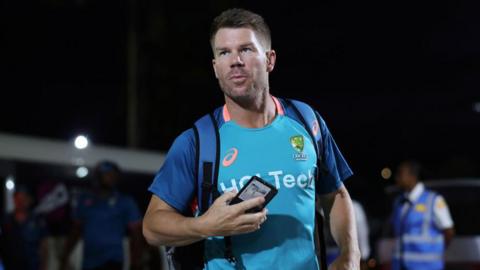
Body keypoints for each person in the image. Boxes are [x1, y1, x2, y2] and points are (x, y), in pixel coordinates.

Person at [143, 8, 360, 270]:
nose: (235, 60)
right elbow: (152, 227)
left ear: (270, 60)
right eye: (224, 53)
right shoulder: (198, 141)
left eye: (246, 49)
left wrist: (350, 256)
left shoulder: (306, 121)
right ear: (215, 67)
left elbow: (335, 195)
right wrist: (205, 225)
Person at [60, 161, 143, 270]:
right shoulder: (84, 199)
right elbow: (76, 229)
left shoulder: (125, 201)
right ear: (97, 177)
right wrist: (65, 255)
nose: (110, 178)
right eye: (106, 174)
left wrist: (135, 262)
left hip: (113, 260)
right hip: (89, 260)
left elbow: (136, 233)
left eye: (113, 175)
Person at [391, 160, 455, 270]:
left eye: (400, 174)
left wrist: (435, 249)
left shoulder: (433, 200)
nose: (397, 178)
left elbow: (448, 231)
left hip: (426, 266)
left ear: (412, 176)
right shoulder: (399, 202)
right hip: (400, 265)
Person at [0, 187, 49, 270]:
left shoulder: (38, 220)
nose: (20, 202)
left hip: (32, 265)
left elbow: (44, 246)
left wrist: (43, 266)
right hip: (10, 266)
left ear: (29, 200)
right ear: (14, 199)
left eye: (23, 198)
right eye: (18, 198)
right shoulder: (5, 220)